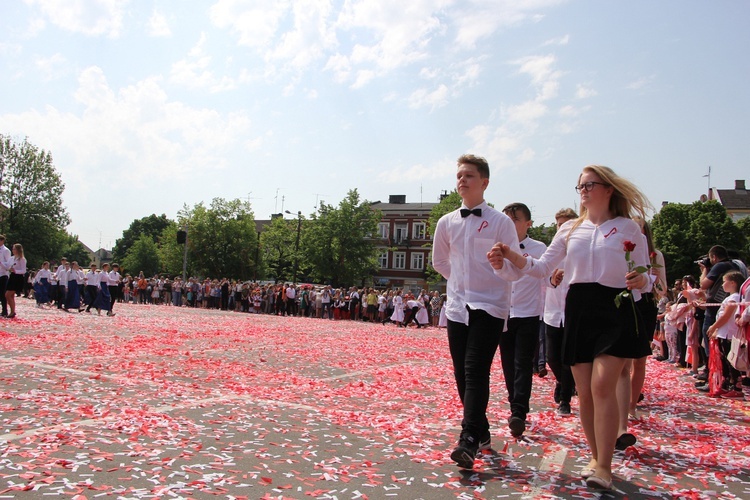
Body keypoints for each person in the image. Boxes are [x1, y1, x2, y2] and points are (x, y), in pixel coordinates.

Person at [489, 165, 652, 490]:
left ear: (608, 189)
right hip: (578, 308)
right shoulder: (569, 230)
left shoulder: (629, 228)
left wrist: (642, 279)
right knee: (588, 393)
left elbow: (646, 276)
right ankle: (596, 458)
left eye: (589, 185)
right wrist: (511, 256)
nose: (583, 190)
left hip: (615, 307)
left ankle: (604, 467)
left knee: (603, 384)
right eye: (579, 186)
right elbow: (542, 267)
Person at [432, 154, 522, 469]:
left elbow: (515, 270)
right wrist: (458, 281)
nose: (462, 180)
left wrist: (498, 268)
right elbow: (440, 262)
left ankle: (468, 437)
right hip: (458, 306)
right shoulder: (446, 222)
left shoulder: (501, 222)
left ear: (484, 182)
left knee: (475, 369)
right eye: (459, 175)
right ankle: (481, 430)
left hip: (490, 305)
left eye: (469, 175)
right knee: (461, 372)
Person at [499, 202, 547, 437]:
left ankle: (519, 411)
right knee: (508, 364)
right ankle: (513, 405)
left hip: (528, 313)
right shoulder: (497, 247)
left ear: (528, 224)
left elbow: (547, 278)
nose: (510, 223)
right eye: (506, 218)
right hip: (503, 313)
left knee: (522, 364)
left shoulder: (539, 248)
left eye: (515, 219)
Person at [544, 208, 578, 416]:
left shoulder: (580, 251)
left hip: (573, 314)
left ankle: (565, 399)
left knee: (568, 359)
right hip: (552, 312)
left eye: (567, 225)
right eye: (559, 225)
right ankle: (563, 381)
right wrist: (551, 280)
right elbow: (540, 275)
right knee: (552, 358)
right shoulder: (551, 252)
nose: (562, 229)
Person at [3, 243, 27, 318]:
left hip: (18, 278)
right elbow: (7, 265)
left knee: (7, 294)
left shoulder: (22, 259)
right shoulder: (11, 258)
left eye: (14, 249)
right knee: (11, 295)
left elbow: (23, 270)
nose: (13, 250)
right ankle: (12, 311)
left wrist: (16, 270)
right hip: (12, 277)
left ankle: (12, 311)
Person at [0, 235, 10, 317]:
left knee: (2, 293)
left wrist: (1, 263)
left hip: (3, 274)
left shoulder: (6, 250)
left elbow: (8, 264)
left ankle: (4, 310)